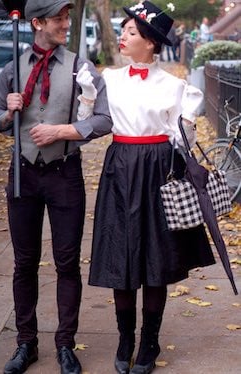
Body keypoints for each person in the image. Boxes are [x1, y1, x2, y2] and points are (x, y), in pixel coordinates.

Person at [88, 2, 216, 374]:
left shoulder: (175, 87)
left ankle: (149, 340)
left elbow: (183, 140)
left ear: (150, 42)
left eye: (130, 31)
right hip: (120, 168)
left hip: (158, 170)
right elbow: (91, 120)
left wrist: (186, 125)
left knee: (156, 258)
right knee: (121, 254)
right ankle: (125, 337)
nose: (123, 37)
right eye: (124, 30)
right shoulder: (108, 78)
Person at [0, 0, 112, 373]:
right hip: (22, 175)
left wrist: (64, 130)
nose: (65, 24)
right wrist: (7, 112)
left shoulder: (80, 67)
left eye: (67, 17)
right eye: (58, 18)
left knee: (67, 263)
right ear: (37, 22)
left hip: (64, 174)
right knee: (24, 264)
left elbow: (104, 119)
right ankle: (26, 344)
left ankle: (65, 345)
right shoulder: (13, 67)